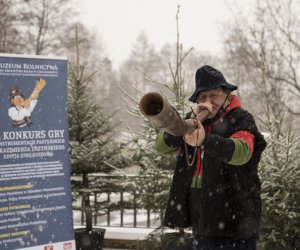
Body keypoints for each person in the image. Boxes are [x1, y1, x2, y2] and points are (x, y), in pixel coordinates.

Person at [155, 65, 267, 250]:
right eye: (203, 97)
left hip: (237, 223)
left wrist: (206, 140)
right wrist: (190, 120)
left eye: (214, 95)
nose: (209, 101)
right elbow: (161, 146)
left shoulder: (241, 118)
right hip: (203, 221)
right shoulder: (194, 121)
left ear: (227, 96)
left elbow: (242, 151)